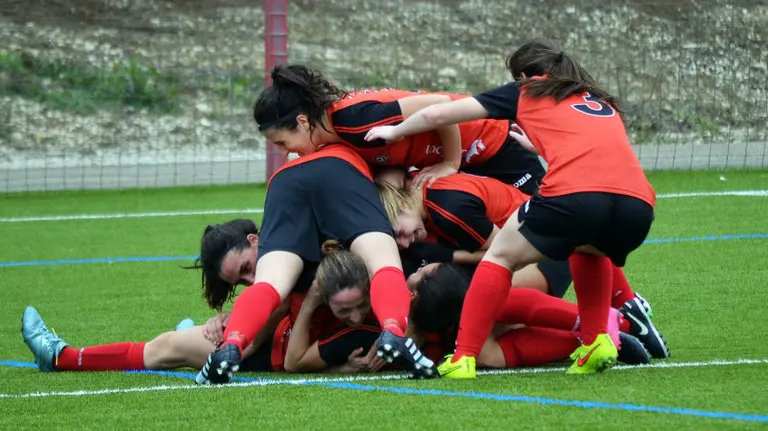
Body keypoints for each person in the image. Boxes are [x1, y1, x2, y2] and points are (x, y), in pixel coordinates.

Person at [364, 39, 661, 377]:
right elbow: (592, 147)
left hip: (575, 199)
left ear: (523, 76)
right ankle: (599, 338)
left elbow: (438, 112)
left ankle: (463, 357)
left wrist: (396, 130)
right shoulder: (600, 101)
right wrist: (536, 145)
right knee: (590, 250)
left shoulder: (527, 91)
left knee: (499, 259)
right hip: (639, 205)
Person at [195, 144, 437, 385]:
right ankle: (393, 332)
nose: (250, 280)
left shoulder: (328, 139)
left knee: (268, 284)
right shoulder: (350, 138)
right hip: (341, 167)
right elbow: (393, 161)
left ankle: (231, 344)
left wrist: (237, 333)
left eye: (280, 141)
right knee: (383, 264)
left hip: (286, 179)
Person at [253, 64, 545, 193]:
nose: (285, 152)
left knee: (546, 233)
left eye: (282, 142)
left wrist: (450, 163)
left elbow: (440, 104)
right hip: (475, 158)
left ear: (303, 122)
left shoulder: (352, 121)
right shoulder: (336, 130)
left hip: (494, 141)